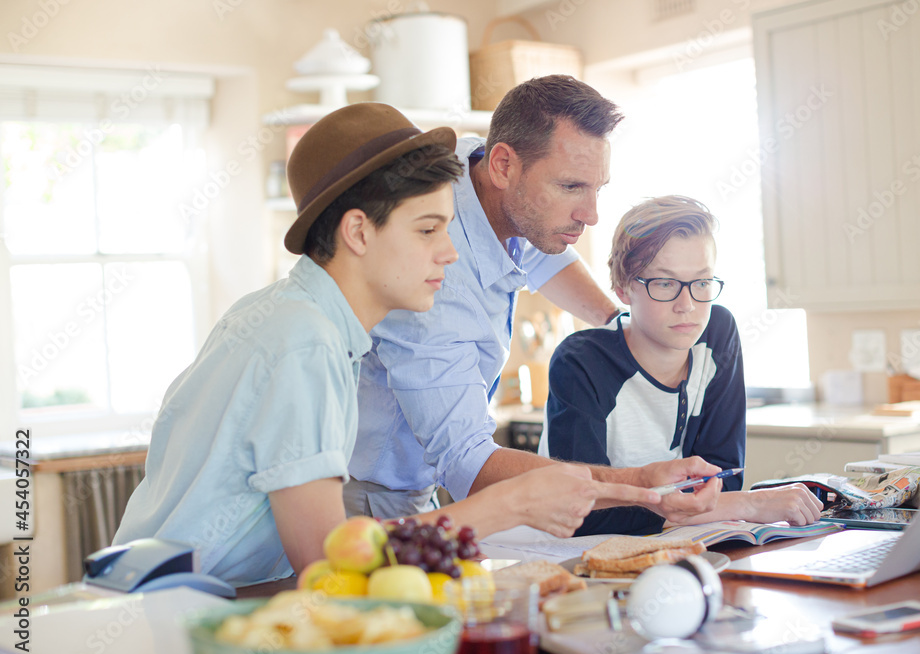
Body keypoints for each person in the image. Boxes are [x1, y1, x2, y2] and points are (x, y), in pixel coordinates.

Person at [113, 103, 662, 586]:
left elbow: (536, 240)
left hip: (185, 596)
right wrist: (511, 503)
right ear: (357, 233)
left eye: (448, 229)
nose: (449, 254)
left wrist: (626, 323)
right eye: (427, 231)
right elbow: (325, 562)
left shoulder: (291, 318)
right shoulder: (304, 345)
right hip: (172, 619)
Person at [346, 76, 723, 526]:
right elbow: (468, 461)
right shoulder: (436, 282)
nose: (591, 214)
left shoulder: (478, 170)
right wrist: (641, 484)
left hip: (417, 488)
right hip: (367, 497)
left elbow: (545, 257)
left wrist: (617, 322)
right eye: (571, 188)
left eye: (596, 188)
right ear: (504, 166)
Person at [540, 195, 823, 536]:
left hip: (676, 544)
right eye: (665, 283)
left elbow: (720, 484)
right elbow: (583, 512)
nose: (687, 305)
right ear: (623, 287)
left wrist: (727, 502)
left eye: (702, 282)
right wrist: (752, 504)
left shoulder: (717, 333)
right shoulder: (581, 363)